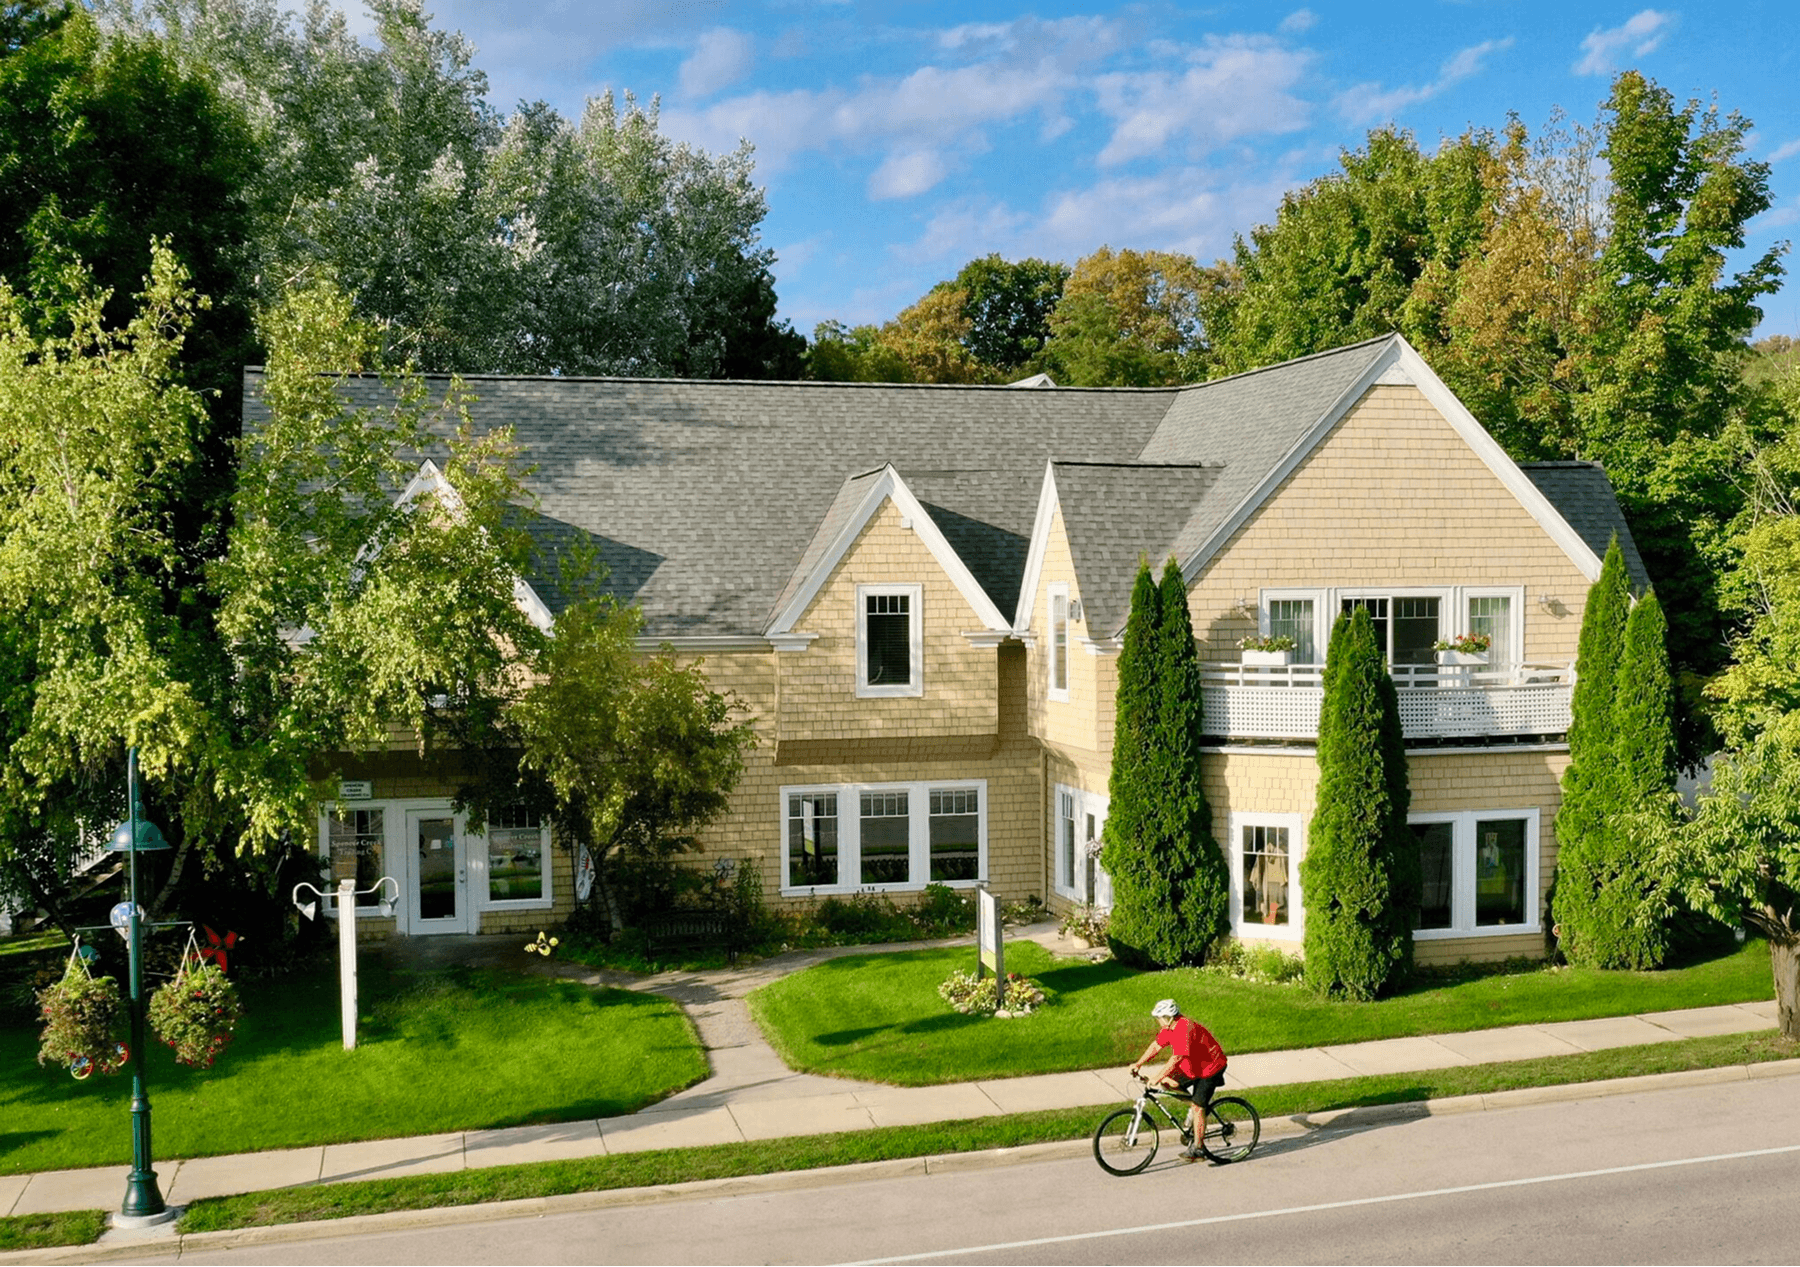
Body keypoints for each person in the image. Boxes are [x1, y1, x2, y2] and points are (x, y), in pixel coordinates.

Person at [1128, 998, 1227, 1160]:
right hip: (1192, 1067)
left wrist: (1157, 1076)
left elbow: (1177, 1058)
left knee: (1197, 1107)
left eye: (1159, 1017)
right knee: (1169, 1082)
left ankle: (1199, 1149)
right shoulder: (1169, 1028)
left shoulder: (1183, 1028)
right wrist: (1139, 1064)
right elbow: (1156, 1046)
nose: (1157, 1021)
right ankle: (1195, 1109)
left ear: (1168, 1017)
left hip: (1210, 1068)